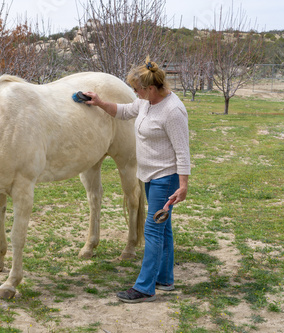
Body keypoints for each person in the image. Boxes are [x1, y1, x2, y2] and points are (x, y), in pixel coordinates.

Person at [83, 56, 191, 303]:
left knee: (153, 231)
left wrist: (183, 185)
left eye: (137, 89)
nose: (135, 93)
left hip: (166, 179)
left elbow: (183, 151)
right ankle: (165, 279)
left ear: (151, 88)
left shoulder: (173, 111)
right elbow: (123, 112)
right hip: (150, 176)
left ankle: (145, 287)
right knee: (164, 230)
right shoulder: (146, 103)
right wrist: (99, 102)